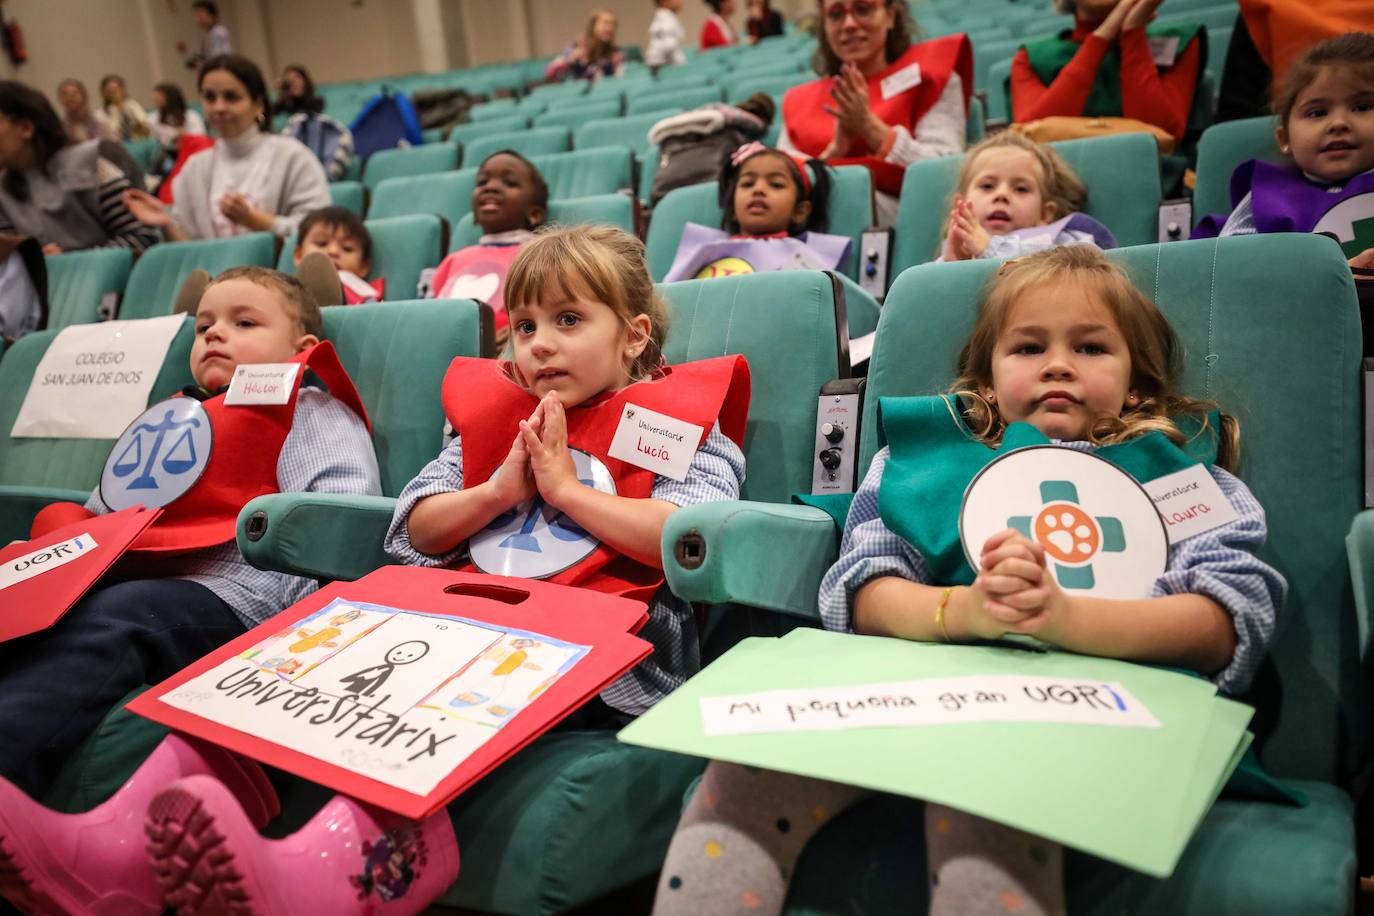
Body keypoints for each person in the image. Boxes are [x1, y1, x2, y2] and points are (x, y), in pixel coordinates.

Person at [101, 226, 750, 915]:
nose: (541, 343)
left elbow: (687, 538)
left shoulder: (680, 423)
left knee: (440, 699)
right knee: (309, 669)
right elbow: (412, 528)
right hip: (462, 621)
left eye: (569, 320)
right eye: (524, 325)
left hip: (607, 656)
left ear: (633, 334)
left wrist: (567, 493)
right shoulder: (498, 418)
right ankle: (122, 839)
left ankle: (324, 877)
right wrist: (497, 492)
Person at [651, 244, 1286, 916]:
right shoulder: (921, 466)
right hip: (924, 698)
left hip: (1092, 712)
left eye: (1093, 348)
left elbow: (1228, 615)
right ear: (985, 383)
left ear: (1137, 384)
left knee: (990, 783)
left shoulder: (1180, 476)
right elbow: (865, 591)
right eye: (1029, 348)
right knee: (744, 774)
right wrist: (966, 611)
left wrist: (1065, 621)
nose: (1059, 365)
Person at [0, 265, 381, 915]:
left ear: (299, 347)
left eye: (243, 322)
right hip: (127, 582)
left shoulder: (305, 406)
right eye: (204, 326)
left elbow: (338, 511)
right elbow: (102, 515)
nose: (214, 336)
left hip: (238, 595)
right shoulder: (170, 419)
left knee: (123, 616)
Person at [780, 0, 971, 226]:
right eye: (835, 14)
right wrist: (835, 151)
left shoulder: (932, 75)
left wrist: (870, 128)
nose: (849, 24)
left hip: (907, 229)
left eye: (863, 9)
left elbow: (945, 175)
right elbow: (782, 188)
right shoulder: (800, 101)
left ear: (890, 15)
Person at [122, 54, 330, 241]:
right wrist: (166, 223)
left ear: (258, 104)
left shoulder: (292, 156)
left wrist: (256, 221)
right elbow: (192, 250)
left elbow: (320, 233)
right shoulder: (194, 168)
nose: (219, 107)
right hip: (216, 282)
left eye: (231, 97)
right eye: (210, 97)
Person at [1210, 32, 1374, 269]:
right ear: (1284, 138)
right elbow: (1233, 271)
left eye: (1361, 107)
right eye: (1317, 113)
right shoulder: (1265, 200)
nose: (1338, 123)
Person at [0, 81, 159, 254]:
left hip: (120, 278)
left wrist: (72, 264)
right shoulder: (3, 190)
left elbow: (141, 238)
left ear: (26, 128)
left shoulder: (90, 162)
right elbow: (10, 262)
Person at [1010, 0, 1203, 142]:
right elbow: (1032, 139)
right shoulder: (1031, 57)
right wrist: (1104, 35)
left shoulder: (1179, 40)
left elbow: (1160, 138)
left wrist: (1133, 30)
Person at [664, 141, 851, 281]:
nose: (758, 190)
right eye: (747, 183)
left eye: (776, 184)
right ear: (733, 208)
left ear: (800, 211)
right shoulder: (704, 249)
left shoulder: (807, 260)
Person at [429, 150, 548, 346]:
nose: (491, 187)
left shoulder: (538, 255)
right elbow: (428, 312)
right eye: (482, 182)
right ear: (474, 214)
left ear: (534, 214)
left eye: (509, 183)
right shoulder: (454, 259)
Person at [940, 131, 1115, 261]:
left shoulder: (1064, 242)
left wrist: (991, 250)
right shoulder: (953, 251)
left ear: (1045, 213)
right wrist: (951, 269)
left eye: (1021, 189)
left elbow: (1087, 276)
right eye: (987, 186)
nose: (1002, 195)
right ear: (960, 205)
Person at [294, 205, 385, 304]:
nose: (333, 251)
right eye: (322, 243)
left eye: (347, 248)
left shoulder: (365, 294)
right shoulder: (284, 288)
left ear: (363, 267)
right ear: (299, 255)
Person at [544, 9, 625, 82]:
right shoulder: (576, 45)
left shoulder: (616, 53)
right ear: (593, 25)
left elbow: (618, 78)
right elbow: (551, 71)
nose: (610, 28)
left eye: (613, 25)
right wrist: (572, 59)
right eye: (606, 23)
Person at [148, 82, 207, 163]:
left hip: (190, 154)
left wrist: (184, 136)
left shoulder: (191, 116)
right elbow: (151, 143)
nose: (155, 98)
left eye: (159, 96)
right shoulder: (152, 118)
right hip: (165, 157)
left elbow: (200, 139)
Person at [56, 78, 114, 143]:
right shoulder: (60, 128)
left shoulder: (100, 119)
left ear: (84, 96)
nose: (69, 97)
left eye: (74, 93)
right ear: (60, 99)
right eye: (65, 94)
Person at [182, 0, 233, 70]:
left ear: (212, 15)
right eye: (197, 15)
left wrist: (203, 65)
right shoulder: (209, 34)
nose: (198, 19)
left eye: (201, 15)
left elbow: (220, 59)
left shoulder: (218, 32)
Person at [100, 74, 151, 141]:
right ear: (104, 93)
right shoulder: (101, 113)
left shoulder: (132, 104)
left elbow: (144, 124)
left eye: (116, 90)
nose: (114, 94)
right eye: (110, 91)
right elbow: (110, 133)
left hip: (138, 140)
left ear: (122, 90)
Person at [647, 0, 688, 70]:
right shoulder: (667, 22)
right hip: (666, 71)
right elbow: (670, 49)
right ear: (664, 2)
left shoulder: (663, 19)